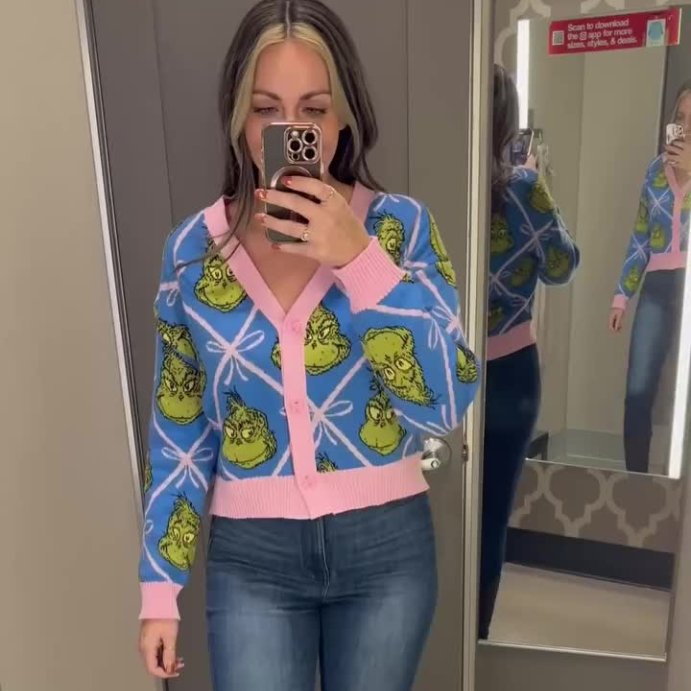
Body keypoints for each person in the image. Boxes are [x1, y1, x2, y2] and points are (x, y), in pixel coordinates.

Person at [136, 1, 480, 689]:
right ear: (238, 118)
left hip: (387, 548)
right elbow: (179, 433)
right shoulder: (192, 254)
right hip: (251, 557)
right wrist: (158, 587)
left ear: (343, 116)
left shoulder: (400, 230)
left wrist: (360, 262)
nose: (290, 131)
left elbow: (443, 402)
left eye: (314, 110)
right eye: (266, 109)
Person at [478, 65, 579, 639]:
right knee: (492, 514)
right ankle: (477, 639)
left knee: (437, 509)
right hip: (512, 374)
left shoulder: (436, 184)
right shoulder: (522, 188)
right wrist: (538, 189)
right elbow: (562, 266)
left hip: (445, 369)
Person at [609, 80, 691, 474]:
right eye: (681, 118)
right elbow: (640, 238)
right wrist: (621, 297)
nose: (685, 127)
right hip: (657, 288)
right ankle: (635, 484)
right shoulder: (655, 172)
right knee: (638, 391)